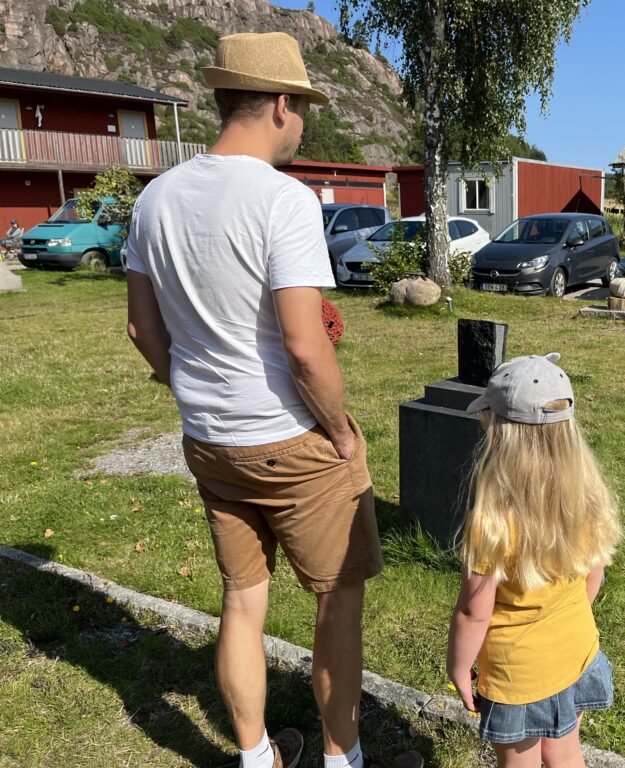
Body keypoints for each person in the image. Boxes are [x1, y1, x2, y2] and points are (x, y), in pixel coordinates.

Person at [124, 32, 419, 768]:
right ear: (282, 104)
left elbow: (141, 328)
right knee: (337, 604)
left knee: (242, 598)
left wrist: (189, 387)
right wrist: (341, 431)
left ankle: (257, 757)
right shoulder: (284, 200)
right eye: (303, 109)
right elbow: (304, 346)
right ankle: (344, 760)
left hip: (210, 439)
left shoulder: (155, 199)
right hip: (291, 439)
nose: (302, 125)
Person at [447, 353, 622, 768]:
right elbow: (594, 574)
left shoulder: (492, 522)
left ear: (499, 434)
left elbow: (474, 612)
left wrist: (459, 666)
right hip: (576, 652)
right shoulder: (587, 498)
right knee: (565, 754)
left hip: (516, 676)